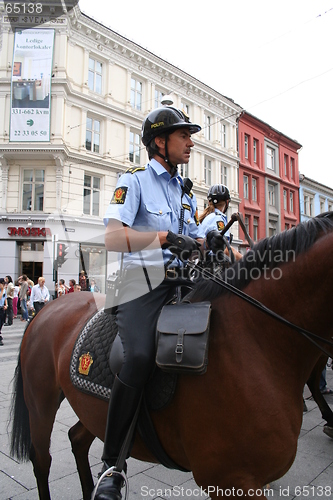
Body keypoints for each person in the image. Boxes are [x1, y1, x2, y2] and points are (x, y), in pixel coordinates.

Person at [95, 106, 205, 500]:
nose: (190, 142)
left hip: (179, 279)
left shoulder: (181, 189)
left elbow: (192, 235)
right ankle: (111, 466)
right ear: (161, 142)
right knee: (139, 355)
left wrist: (210, 241)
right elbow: (112, 238)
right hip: (140, 282)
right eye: (183, 136)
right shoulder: (135, 181)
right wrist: (161, 239)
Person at [199, 184, 242, 262]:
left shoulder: (208, 217)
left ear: (209, 202)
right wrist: (246, 260)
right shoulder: (217, 218)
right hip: (214, 268)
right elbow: (225, 249)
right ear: (227, 202)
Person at [0, 278, 8, 345]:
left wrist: (6, 304)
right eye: (2, 284)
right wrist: (2, 290)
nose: (3, 285)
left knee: (2, 322)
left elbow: (5, 298)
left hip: (2, 308)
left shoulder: (4, 290)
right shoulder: (2, 290)